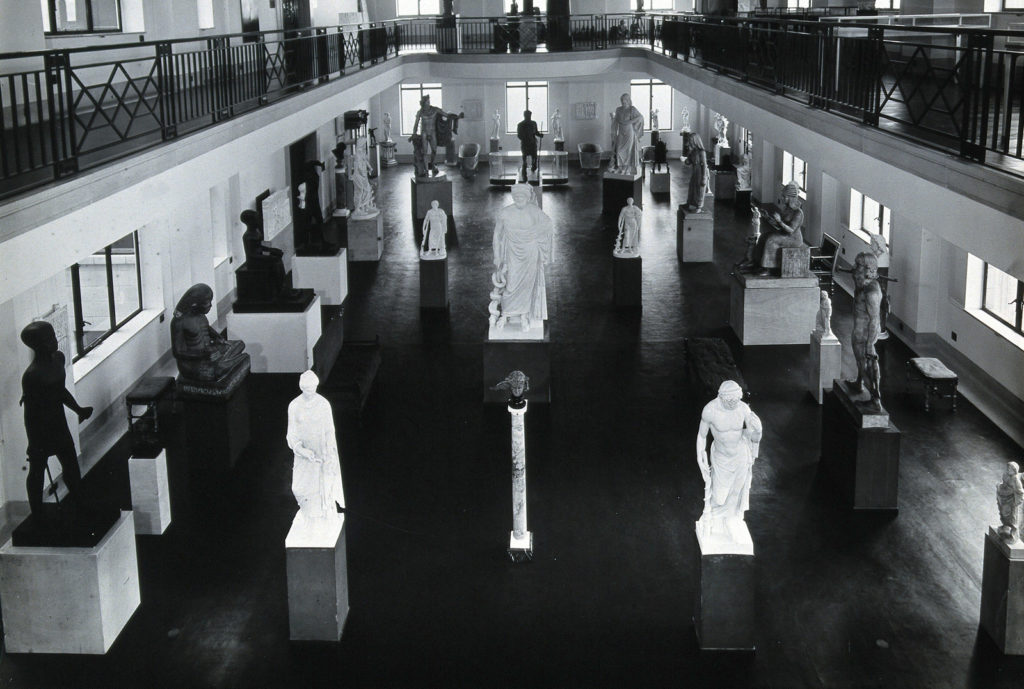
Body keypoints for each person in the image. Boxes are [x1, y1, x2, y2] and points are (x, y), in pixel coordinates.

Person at [20, 321, 92, 518]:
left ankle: (80, 503)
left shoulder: (58, 359)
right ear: (36, 345)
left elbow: (60, 391)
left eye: (53, 336)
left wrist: (78, 409)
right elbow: (30, 412)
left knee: (71, 465)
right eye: (48, 339)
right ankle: (37, 513)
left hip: (58, 423)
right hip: (40, 429)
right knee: (37, 470)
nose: (54, 341)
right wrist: (33, 441)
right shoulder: (32, 375)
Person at [695, 380, 762, 543]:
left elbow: (753, 437)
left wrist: (759, 430)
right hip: (721, 457)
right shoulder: (710, 410)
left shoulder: (744, 410)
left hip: (740, 456)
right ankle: (717, 518)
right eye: (729, 401)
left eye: (736, 400)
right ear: (722, 397)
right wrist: (700, 456)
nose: (733, 404)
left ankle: (730, 521)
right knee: (719, 495)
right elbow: (702, 436)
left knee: (735, 492)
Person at [490, 184, 554, 332]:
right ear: (513, 197)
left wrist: (536, 235)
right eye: (516, 197)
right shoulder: (505, 212)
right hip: (512, 253)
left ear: (527, 198)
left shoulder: (534, 211)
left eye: (522, 197)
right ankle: (505, 315)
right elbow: (497, 235)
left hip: (530, 253)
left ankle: (524, 316)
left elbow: (548, 223)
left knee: (527, 285)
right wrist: (497, 255)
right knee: (510, 284)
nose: (519, 199)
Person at [287, 370, 345, 530]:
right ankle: (308, 516)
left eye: (313, 389)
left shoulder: (323, 404)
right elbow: (291, 434)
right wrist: (301, 450)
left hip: (321, 452)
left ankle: (319, 519)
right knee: (299, 488)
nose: (310, 393)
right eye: (307, 389)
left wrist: (329, 453)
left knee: (321, 486)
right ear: (301, 388)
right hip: (303, 455)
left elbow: (329, 431)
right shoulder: (294, 406)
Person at [171, 283, 249, 384]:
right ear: (195, 304)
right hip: (194, 365)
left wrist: (219, 338)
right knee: (226, 365)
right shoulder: (179, 322)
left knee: (239, 344)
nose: (210, 305)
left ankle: (224, 362)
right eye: (207, 303)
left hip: (208, 353)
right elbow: (178, 352)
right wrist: (204, 355)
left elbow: (207, 329)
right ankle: (224, 364)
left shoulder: (200, 316)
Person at [848, 252, 884, 411]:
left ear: (868, 269)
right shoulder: (862, 284)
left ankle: (875, 400)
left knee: (866, 364)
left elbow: (875, 320)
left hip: (864, 336)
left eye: (858, 265)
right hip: (858, 332)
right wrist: (855, 272)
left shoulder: (871, 292)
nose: (854, 267)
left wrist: (870, 344)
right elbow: (856, 277)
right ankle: (858, 383)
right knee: (860, 362)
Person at [751, 181, 805, 274]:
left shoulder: (798, 213)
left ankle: (767, 268)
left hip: (793, 239)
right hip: (784, 234)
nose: (783, 198)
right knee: (764, 236)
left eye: (784, 197)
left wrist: (779, 221)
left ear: (790, 198)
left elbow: (791, 230)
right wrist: (768, 217)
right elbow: (779, 226)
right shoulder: (787, 209)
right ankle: (757, 262)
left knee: (771, 240)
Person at [610, 93, 643, 175]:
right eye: (622, 100)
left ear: (628, 100)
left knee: (628, 152)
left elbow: (640, 117)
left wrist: (629, 122)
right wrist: (613, 132)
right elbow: (616, 121)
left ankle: (626, 169)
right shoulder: (618, 109)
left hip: (629, 132)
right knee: (619, 150)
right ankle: (620, 168)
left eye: (624, 100)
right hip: (621, 132)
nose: (623, 101)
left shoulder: (632, 109)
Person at [412, 94, 444, 176]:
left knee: (434, 150)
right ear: (423, 103)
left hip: (433, 132)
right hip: (424, 133)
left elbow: (446, 114)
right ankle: (426, 169)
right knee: (425, 152)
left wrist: (456, 117)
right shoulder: (420, 112)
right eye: (427, 102)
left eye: (429, 101)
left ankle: (432, 164)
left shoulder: (435, 109)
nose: (428, 103)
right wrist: (414, 134)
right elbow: (416, 124)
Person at [997, 461, 1024, 544]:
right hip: (1005, 498)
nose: (1008, 469)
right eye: (1007, 467)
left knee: (1013, 518)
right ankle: (1005, 526)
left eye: (1010, 468)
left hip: (1012, 500)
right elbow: (1004, 484)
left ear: (1014, 470)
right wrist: (1000, 487)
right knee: (1004, 513)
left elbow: (1020, 493)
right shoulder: (1006, 475)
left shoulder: (1016, 480)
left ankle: (1014, 536)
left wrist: (1017, 503)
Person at [350, 136, 377, 218]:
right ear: (360, 144)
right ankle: (357, 209)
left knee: (368, 189)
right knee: (360, 191)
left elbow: (365, 161)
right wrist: (363, 173)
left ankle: (366, 206)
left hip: (363, 175)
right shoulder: (357, 154)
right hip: (358, 175)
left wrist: (370, 168)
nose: (364, 145)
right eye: (364, 143)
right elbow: (357, 167)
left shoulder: (361, 152)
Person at [683, 131, 709, 213]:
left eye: (691, 141)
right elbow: (688, 162)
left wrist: (704, 178)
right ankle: (690, 203)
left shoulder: (702, 152)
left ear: (695, 141)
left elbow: (704, 165)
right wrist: (686, 157)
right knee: (692, 187)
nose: (689, 142)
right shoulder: (693, 151)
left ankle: (699, 206)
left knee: (700, 189)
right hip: (695, 172)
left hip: (701, 172)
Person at [516, 110, 543, 180]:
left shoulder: (534, 123)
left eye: (529, 115)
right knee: (524, 158)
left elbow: (536, 132)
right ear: (524, 115)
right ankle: (524, 171)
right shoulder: (520, 124)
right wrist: (525, 138)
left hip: (533, 143)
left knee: (534, 157)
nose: (529, 116)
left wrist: (540, 135)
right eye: (527, 115)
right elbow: (519, 135)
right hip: (525, 144)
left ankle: (533, 167)